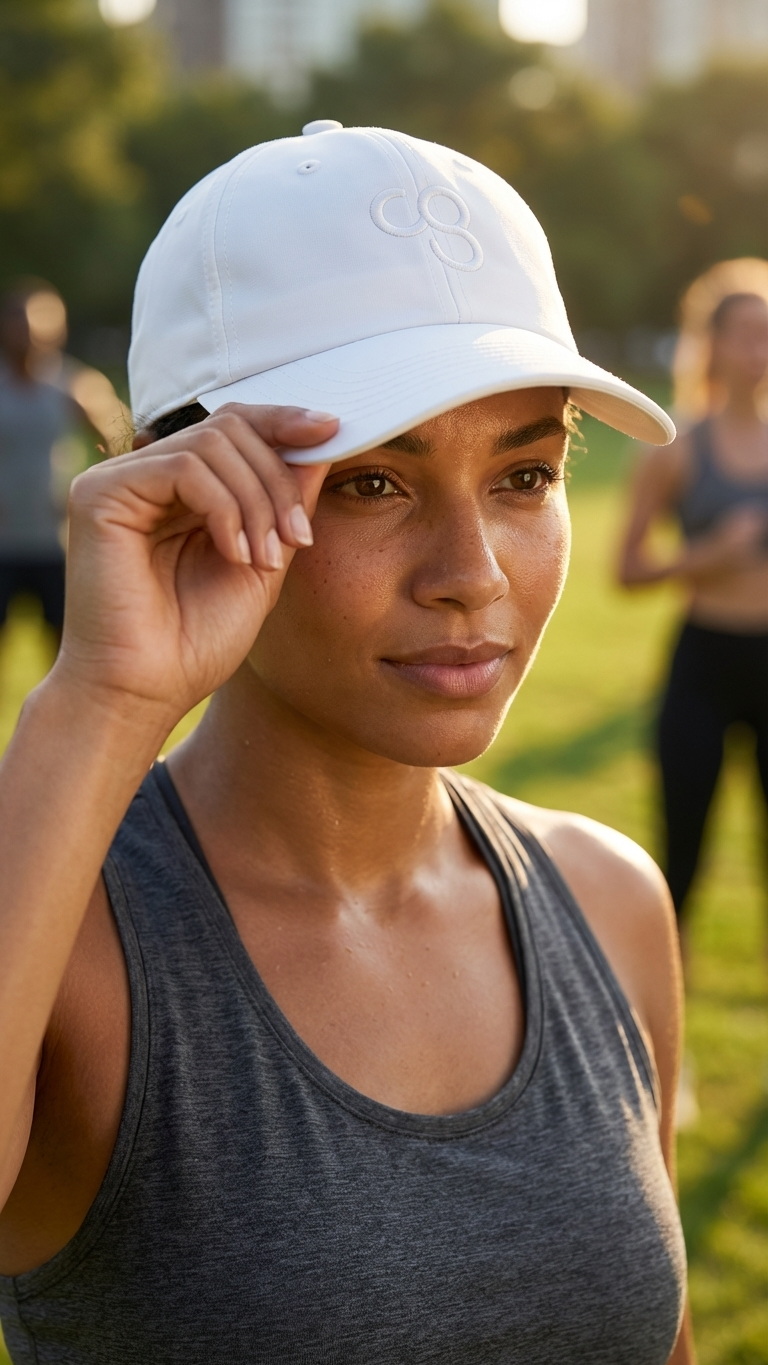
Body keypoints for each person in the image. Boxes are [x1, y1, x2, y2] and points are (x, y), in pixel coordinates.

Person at [0, 122, 693, 1363]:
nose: (473, 575)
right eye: (373, 481)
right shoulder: (69, 942)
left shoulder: (610, 899)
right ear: (180, 493)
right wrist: (100, 699)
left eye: (526, 477)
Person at [618, 261, 768, 941]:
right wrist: (708, 556)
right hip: (704, 666)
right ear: (715, 344)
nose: (760, 349)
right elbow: (628, 569)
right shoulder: (674, 448)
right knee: (680, 862)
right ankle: (665, 998)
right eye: (747, 334)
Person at [0, 292, 74, 642]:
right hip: (3, 540)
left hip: (54, 542)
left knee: (64, 646)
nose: (25, 330)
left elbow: (123, 440)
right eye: (16, 320)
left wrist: (84, 494)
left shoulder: (72, 385)